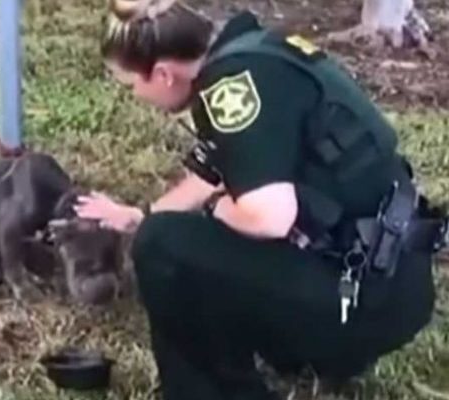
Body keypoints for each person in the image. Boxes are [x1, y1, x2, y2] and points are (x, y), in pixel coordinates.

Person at [73, 0, 448, 399]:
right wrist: (141, 214)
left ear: (163, 74)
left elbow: (269, 218)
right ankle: (303, 350)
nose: (135, 96)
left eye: (131, 85)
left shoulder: (229, 89)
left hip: (357, 304)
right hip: (393, 285)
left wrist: (213, 207)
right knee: (167, 230)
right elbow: (212, 171)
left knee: (162, 246)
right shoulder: (256, 52)